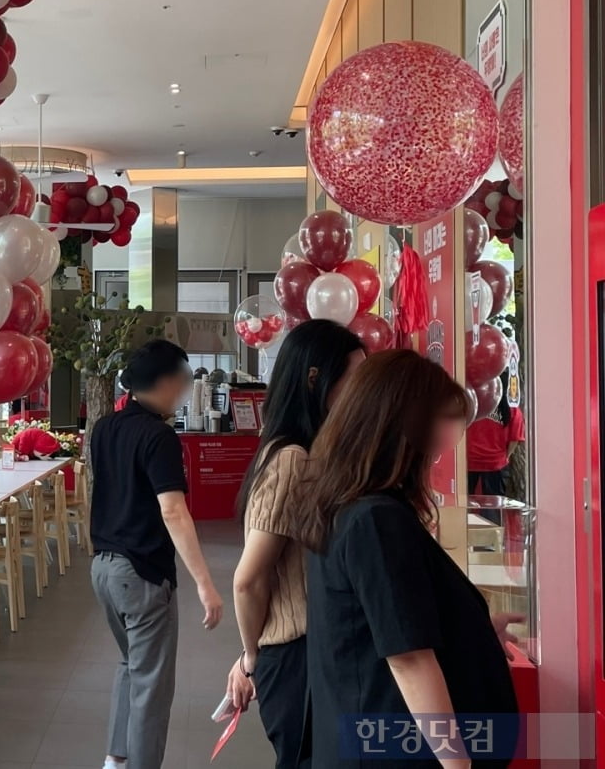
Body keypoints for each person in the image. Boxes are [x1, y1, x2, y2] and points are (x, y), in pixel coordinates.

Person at [297, 350, 520, 768]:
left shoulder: (352, 506)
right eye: (442, 423)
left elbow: (386, 615)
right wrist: (457, 762)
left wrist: (472, 628)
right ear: (405, 426)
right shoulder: (376, 519)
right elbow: (408, 657)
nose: (447, 442)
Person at [226, 320, 365, 768]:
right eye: (354, 379)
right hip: (295, 659)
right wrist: (252, 657)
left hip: (294, 651)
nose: (361, 395)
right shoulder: (291, 459)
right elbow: (249, 579)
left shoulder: (292, 453)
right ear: (314, 379)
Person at [89, 339, 225, 769]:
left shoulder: (104, 428)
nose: (184, 393)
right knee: (152, 684)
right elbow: (173, 510)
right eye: (183, 384)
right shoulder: (159, 436)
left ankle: (116, 759)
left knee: (131, 666)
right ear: (165, 382)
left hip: (103, 570)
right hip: (141, 573)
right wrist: (206, 584)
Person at [466, 371, 525, 523]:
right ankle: (490, 543)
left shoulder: (474, 404)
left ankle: (465, 540)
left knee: (464, 507)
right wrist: (505, 456)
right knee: (492, 511)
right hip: (495, 464)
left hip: (469, 462)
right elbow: (515, 439)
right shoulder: (512, 410)